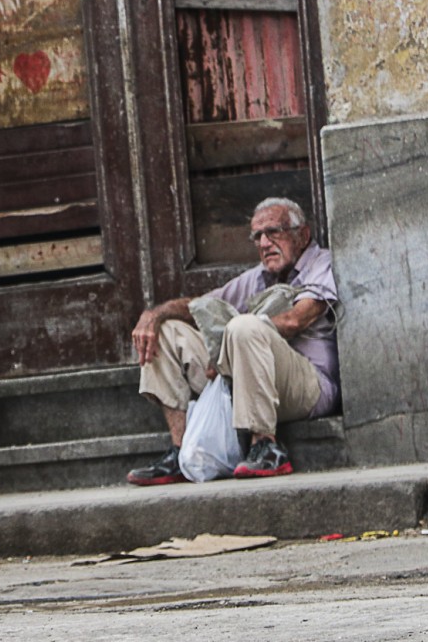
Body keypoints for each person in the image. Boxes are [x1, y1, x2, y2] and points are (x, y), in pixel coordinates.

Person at [127, 197, 339, 485]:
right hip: (250, 383)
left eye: (273, 232)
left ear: (302, 235)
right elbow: (200, 306)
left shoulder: (320, 263)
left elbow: (296, 320)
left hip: (308, 387)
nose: (264, 243)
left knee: (245, 326)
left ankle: (265, 446)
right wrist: (153, 315)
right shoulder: (258, 278)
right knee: (167, 332)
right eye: (257, 236)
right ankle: (180, 451)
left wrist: (226, 348)